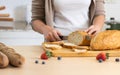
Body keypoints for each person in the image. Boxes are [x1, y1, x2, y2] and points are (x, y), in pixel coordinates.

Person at [31, 0, 105, 42]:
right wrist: (44, 28)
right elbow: (36, 19)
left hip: (86, 42)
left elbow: (99, 13)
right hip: (57, 42)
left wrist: (97, 26)